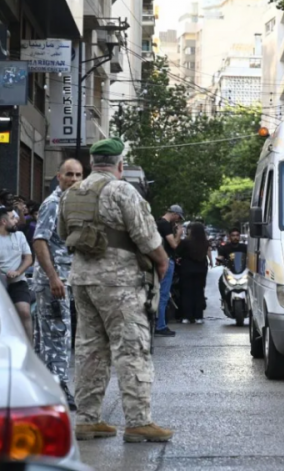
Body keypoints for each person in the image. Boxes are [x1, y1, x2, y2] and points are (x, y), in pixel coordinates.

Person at [58, 138, 172, 443]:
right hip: (118, 283)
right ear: (119, 165)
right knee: (131, 348)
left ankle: (86, 420)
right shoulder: (122, 190)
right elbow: (146, 237)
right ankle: (137, 422)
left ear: (93, 164)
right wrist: (162, 264)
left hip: (82, 280)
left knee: (89, 350)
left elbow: (62, 232)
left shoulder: (71, 194)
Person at [31, 158, 83, 411]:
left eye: (78, 175)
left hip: (63, 279)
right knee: (57, 335)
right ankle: (58, 388)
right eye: (69, 174)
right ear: (58, 176)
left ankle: (43, 390)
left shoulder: (69, 203)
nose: (74, 179)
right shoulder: (53, 203)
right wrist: (53, 277)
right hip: (54, 282)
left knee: (46, 337)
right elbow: (39, 241)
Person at [0, 205, 34, 339]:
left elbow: (28, 258)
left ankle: (29, 351)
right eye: (13, 218)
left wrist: (18, 271)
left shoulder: (19, 235)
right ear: (3, 222)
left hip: (18, 282)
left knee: (25, 312)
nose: (17, 221)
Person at [154, 205, 185, 337]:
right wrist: (178, 234)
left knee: (158, 293)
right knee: (163, 294)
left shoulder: (157, 223)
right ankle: (160, 325)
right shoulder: (165, 225)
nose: (177, 220)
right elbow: (174, 244)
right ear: (174, 214)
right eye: (178, 217)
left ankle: (158, 323)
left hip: (159, 260)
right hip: (166, 260)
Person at [176, 222, 212, 324]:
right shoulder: (205, 243)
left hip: (186, 269)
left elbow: (178, 252)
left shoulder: (186, 242)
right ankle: (198, 316)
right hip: (201, 270)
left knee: (187, 293)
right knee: (199, 292)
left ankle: (187, 316)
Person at [217, 228, 248, 301]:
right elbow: (220, 256)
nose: (235, 237)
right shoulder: (224, 248)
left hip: (242, 270)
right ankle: (223, 298)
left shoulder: (244, 247)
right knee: (221, 281)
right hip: (229, 270)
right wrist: (219, 261)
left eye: (237, 235)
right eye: (233, 235)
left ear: (239, 236)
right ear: (229, 237)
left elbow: (250, 256)